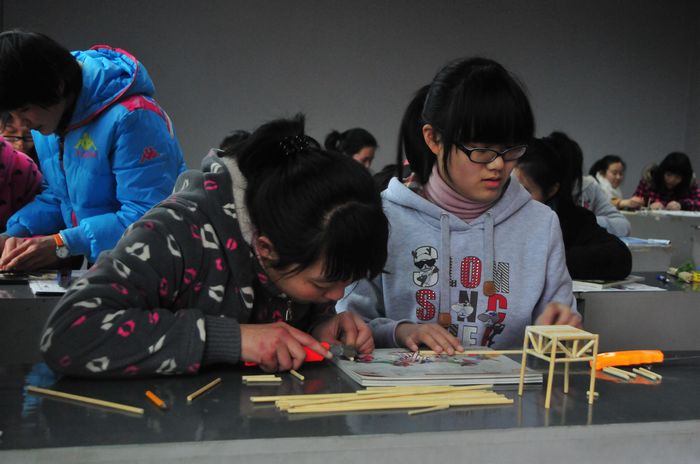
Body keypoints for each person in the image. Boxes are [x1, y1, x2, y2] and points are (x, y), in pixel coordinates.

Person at [40, 115, 389, 377]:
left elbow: (285, 309)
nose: (337, 295)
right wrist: (231, 339)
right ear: (265, 247)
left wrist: (318, 328)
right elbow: (67, 333)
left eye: (345, 282)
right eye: (323, 285)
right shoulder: (176, 233)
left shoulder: (301, 242)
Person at [337, 57, 579, 353]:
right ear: (434, 139)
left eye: (510, 149)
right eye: (480, 149)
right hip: (406, 382)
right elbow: (348, 325)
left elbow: (561, 326)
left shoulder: (540, 224)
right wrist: (399, 332)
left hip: (509, 383)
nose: (498, 165)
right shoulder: (384, 218)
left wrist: (560, 329)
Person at [0, 31, 186, 271]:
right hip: (111, 267)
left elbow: (148, 216)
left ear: (57, 87)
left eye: (24, 110)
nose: (21, 124)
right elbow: (58, 196)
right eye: (11, 114)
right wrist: (13, 234)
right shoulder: (49, 119)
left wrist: (62, 243)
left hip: (160, 268)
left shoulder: (133, 118)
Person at [514, 137, 632, 280]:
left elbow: (620, 257)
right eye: (507, 188)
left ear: (551, 191)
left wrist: (548, 261)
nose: (512, 198)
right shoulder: (494, 216)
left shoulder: (570, 219)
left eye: (524, 191)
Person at [547, 132, 630, 237]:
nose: (618, 177)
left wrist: (586, 221)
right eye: (614, 173)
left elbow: (623, 226)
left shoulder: (588, 186)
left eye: (621, 173)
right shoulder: (538, 189)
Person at [620, 152, 700, 211]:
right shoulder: (649, 180)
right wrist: (648, 207)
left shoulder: (690, 184)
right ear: (662, 172)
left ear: (684, 178)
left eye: (677, 177)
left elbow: (698, 203)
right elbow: (633, 203)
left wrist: (682, 205)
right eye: (668, 175)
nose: (671, 180)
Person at [0, 137, 42, 230]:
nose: (20, 144)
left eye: (28, 136)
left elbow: (42, 211)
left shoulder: (24, 167)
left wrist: (14, 232)